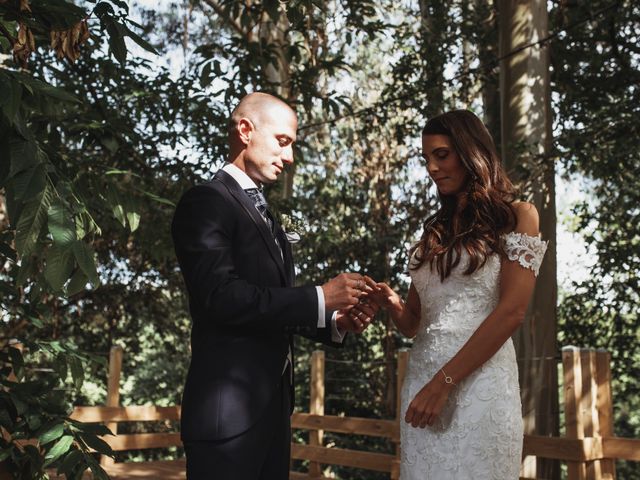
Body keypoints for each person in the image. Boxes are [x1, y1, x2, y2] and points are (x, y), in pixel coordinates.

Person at [171, 92, 378, 480]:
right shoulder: (206, 201)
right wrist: (319, 295)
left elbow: (271, 308)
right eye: (283, 142)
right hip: (225, 422)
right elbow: (221, 297)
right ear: (246, 130)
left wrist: (332, 319)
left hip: (273, 416)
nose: (290, 157)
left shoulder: (269, 217)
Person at [360, 110, 548, 479]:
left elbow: (511, 312)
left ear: (470, 151)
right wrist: (392, 302)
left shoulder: (517, 216)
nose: (431, 167)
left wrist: (442, 383)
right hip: (422, 386)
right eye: (426, 158)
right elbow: (414, 324)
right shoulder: (433, 233)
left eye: (441, 155)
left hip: (479, 386)